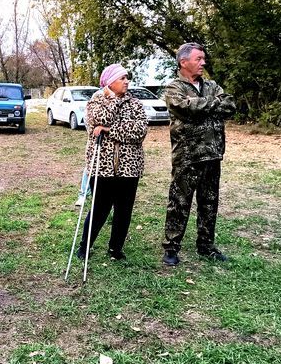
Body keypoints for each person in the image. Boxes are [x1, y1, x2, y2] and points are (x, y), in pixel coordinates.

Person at [161, 42, 236, 266]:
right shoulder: (174, 88)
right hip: (187, 157)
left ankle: (206, 245)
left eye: (203, 58)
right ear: (184, 62)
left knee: (209, 202)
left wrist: (202, 104)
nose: (203, 62)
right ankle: (171, 247)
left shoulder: (212, 85)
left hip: (212, 155)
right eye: (198, 59)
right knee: (179, 202)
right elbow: (184, 107)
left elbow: (230, 106)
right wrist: (213, 105)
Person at [76, 64, 148, 261]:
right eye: (122, 78)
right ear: (109, 82)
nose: (127, 81)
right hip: (102, 166)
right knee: (99, 209)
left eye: (127, 78)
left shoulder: (135, 103)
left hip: (129, 167)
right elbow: (97, 120)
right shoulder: (95, 101)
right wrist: (114, 101)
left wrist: (109, 130)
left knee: (124, 210)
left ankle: (116, 248)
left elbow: (140, 130)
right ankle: (85, 246)